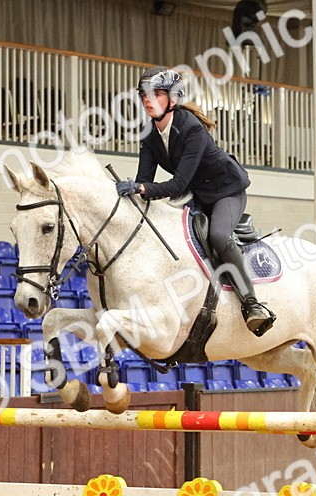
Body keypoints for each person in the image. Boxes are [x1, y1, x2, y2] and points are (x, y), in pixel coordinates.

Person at [116, 67, 276, 336]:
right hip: (198, 195)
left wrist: (142, 187)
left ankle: (252, 303)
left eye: (156, 94)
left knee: (218, 235)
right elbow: (146, 179)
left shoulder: (190, 127)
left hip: (226, 191)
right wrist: (131, 190)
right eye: (144, 94)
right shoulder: (149, 134)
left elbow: (176, 184)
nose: (147, 99)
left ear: (173, 98)